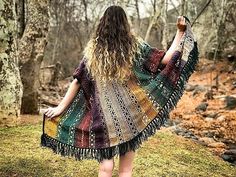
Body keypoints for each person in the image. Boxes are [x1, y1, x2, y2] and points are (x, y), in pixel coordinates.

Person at [42, 5, 198, 177]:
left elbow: (78, 81)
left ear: (103, 23)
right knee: (126, 170)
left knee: (106, 167)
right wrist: (180, 33)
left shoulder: (93, 51)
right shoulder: (135, 46)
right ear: (125, 23)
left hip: (102, 119)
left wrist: (60, 107)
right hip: (129, 116)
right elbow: (165, 60)